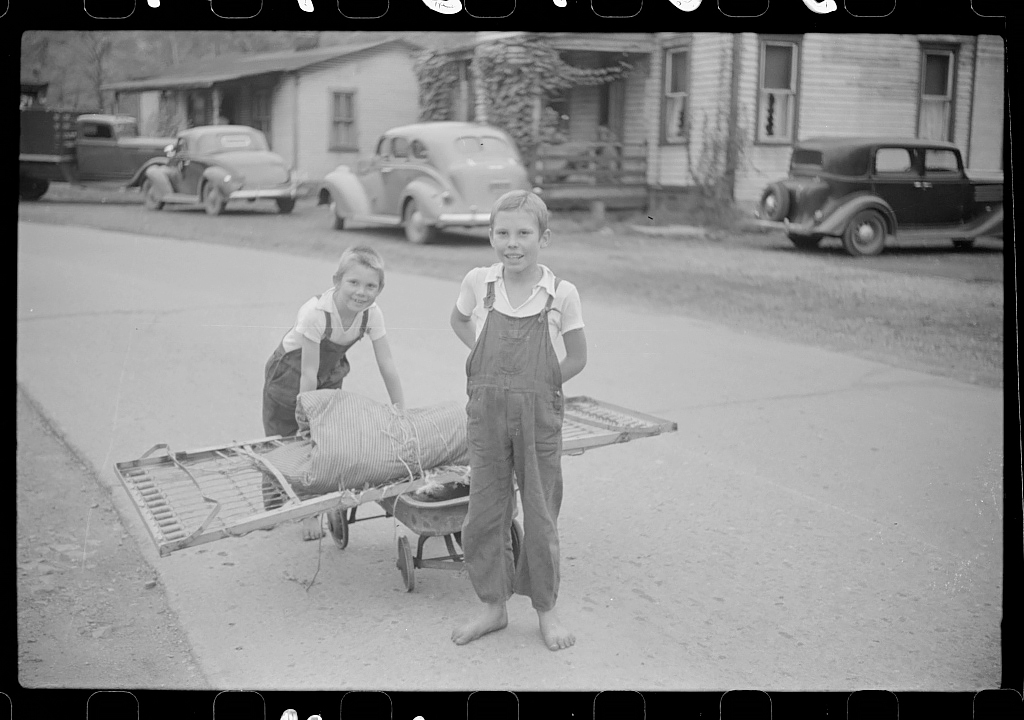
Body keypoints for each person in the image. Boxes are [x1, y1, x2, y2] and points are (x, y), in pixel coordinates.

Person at [449, 190, 588, 651]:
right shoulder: (479, 283)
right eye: (502, 233)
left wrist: (544, 384)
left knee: (541, 513)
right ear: (490, 236)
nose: (513, 243)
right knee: (485, 512)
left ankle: (546, 611)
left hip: (537, 420)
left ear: (543, 238)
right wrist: (479, 360)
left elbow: (578, 357)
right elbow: (458, 320)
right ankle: (492, 606)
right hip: (486, 416)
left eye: (524, 233)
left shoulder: (560, 294)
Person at [262, 245, 405, 539]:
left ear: (380, 289)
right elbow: (307, 372)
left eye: (371, 286)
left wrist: (399, 409)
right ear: (337, 280)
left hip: (327, 376)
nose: (361, 292)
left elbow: (387, 362)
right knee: (286, 441)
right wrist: (306, 420)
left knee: (324, 443)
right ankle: (283, 507)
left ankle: (312, 505)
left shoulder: (371, 315)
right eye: (353, 282)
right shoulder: (316, 313)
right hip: (291, 376)